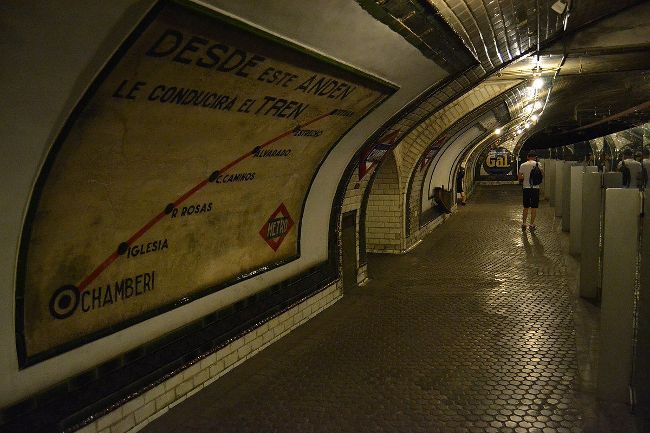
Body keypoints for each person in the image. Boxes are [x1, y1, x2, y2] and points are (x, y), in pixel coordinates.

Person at [518, 150, 544, 231]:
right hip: (535, 188)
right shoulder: (538, 164)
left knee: (525, 207)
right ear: (535, 157)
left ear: (527, 157)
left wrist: (526, 177)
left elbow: (520, 177)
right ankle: (532, 224)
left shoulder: (523, 165)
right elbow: (542, 175)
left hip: (526, 188)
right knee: (534, 207)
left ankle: (524, 223)